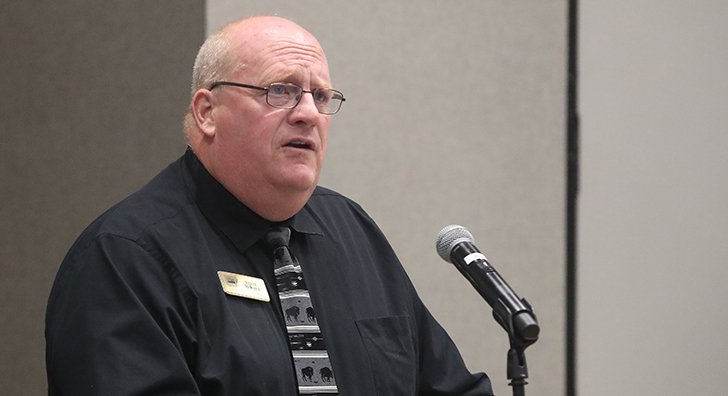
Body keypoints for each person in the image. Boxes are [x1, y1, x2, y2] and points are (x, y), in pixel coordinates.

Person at [45, 15, 493, 395]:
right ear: (207, 112)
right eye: (280, 91)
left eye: (320, 96)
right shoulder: (125, 258)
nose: (307, 113)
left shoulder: (351, 230)